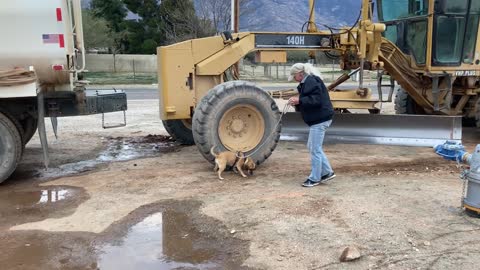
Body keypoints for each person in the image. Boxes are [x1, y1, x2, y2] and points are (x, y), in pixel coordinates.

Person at [287, 63, 335, 187]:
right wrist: (298, 102)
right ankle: (327, 172)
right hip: (319, 119)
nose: (294, 79)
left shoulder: (311, 81)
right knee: (313, 146)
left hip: (320, 119)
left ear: (300, 74)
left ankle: (314, 178)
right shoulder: (309, 81)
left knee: (314, 149)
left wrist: (299, 100)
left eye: (294, 76)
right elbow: (312, 99)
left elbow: (317, 100)